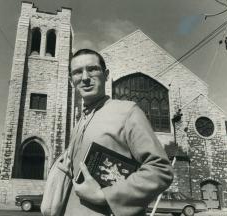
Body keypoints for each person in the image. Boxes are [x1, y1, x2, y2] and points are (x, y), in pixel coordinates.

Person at [62, 49, 173, 216]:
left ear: (106, 75)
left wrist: (105, 196)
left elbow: (160, 169)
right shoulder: (78, 123)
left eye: (92, 69)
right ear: (71, 81)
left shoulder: (127, 111)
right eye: (78, 72)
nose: (85, 77)